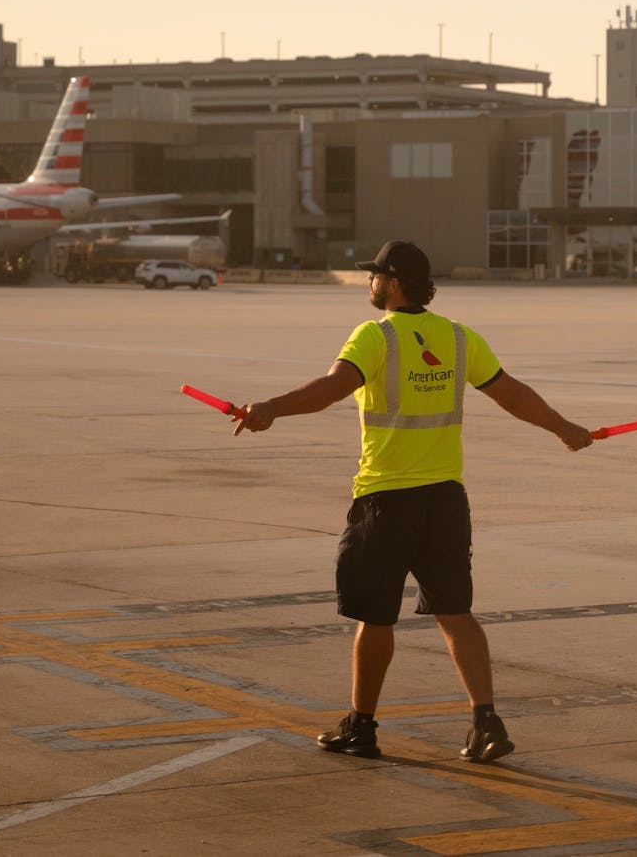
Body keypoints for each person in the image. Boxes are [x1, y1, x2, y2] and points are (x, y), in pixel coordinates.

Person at [234, 240, 592, 763]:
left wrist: (270, 409)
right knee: (456, 612)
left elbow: (332, 388)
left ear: (394, 282)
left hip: (386, 499)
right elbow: (511, 393)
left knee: (375, 618)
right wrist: (564, 428)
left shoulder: (376, 336)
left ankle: (361, 727)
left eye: (374, 275)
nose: (369, 283)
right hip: (446, 499)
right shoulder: (457, 336)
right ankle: (485, 723)